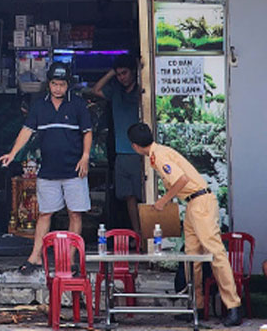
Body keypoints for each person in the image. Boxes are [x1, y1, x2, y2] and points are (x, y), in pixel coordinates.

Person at [127, 122, 242, 327]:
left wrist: (163, 201)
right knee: (192, 256)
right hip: (191, 204)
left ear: (134, 146)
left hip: (200, 204)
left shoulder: (160, 156)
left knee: (215, 254)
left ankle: (233, 306)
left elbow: (181, 180)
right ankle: (195, 306)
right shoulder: (159, 152)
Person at [0, 62, 93, 274]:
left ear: (68, 84)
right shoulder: (39, 106)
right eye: (54, 83)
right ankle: (35, 258)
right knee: (44, 214)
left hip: (74, 170)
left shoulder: (78, 105)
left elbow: (87, 132)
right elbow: (26, 131)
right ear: (48, 84)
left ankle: (71, 261)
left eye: (62, 84)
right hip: (48, 171)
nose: (58, 88)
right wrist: (12, 153)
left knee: (75, 215)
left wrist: (85, 157)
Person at [86, 54, 142, 237]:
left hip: (142, 152)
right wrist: (112, 72)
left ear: (134, 71)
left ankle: (148, 235)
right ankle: (137, 234)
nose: (121, 77)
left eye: (124, 73)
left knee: (144, 196)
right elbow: (95, 90)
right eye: (118, 74)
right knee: (129, 197)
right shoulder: (115, 91)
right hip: (121, 152)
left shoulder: (143, 90)